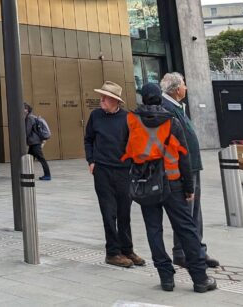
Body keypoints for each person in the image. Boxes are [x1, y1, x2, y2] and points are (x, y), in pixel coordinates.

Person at [125, 83, 216, 293]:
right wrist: (189, 186)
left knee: (153, 230)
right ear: (160, 97)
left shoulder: (132, 121)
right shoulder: (171, 121)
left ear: (143, 98)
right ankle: (200, 278)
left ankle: (165, 277)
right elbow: (184, 156)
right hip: (172, 183)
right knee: (186, 228)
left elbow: (126, 151)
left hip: (146, 184)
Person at [159, 72, 220, 269]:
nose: (186, 87)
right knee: (186, 211)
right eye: (184, 84)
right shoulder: (167, 108)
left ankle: (197, 249)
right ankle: (184, 252)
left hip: (191, 166)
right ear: (177, 89)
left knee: (194, 211)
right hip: (181, 169)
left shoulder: (177, 107)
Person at [84, 81, 144, 268]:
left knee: (124, 212)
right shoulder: (95, 116)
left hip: (123, 171)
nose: (101, 100)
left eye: (106, 97)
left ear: (116, 101)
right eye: (101, 96)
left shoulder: (128, 118)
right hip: (102, 170)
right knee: (109, 213)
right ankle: (112, 253)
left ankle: (127, 249)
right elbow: (88, 139)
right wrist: (91, 160)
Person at [23, 103, 52, 180]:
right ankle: (27, 174)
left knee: (41, 158)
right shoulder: (31, 117)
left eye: (24, 108)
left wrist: (22, 140)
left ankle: (47, 175)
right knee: (29, 159)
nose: (22, 110)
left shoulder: (29, 118)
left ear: (27, 110)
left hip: (34, 142)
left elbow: (27, 131)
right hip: (33, 142)